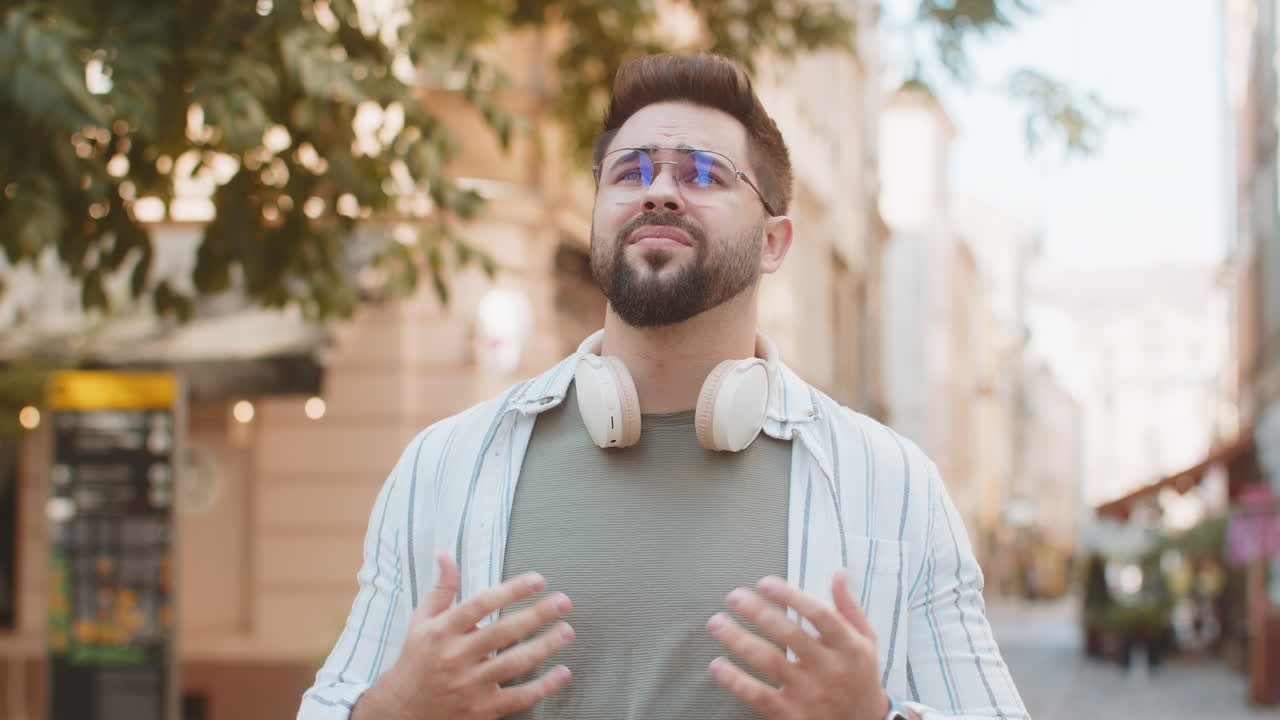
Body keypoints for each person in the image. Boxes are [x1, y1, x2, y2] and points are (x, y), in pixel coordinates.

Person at [298, 53, 1026, 720]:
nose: (662, 193)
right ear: (596, 220)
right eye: (630, 172)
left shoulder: (894, 485)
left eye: (704, 173)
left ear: (775, 241)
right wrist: (393, 710)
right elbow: (331, 705)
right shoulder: (442, 466)